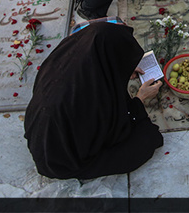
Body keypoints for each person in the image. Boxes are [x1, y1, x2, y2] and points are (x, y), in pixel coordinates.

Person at [24, 20, 163, 180]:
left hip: (50, 133)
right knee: (148, 137)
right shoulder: (92, 98)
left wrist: (122, 67)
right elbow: (116, 131)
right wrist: (140, 98)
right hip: (63, 161)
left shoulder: (68, 57)